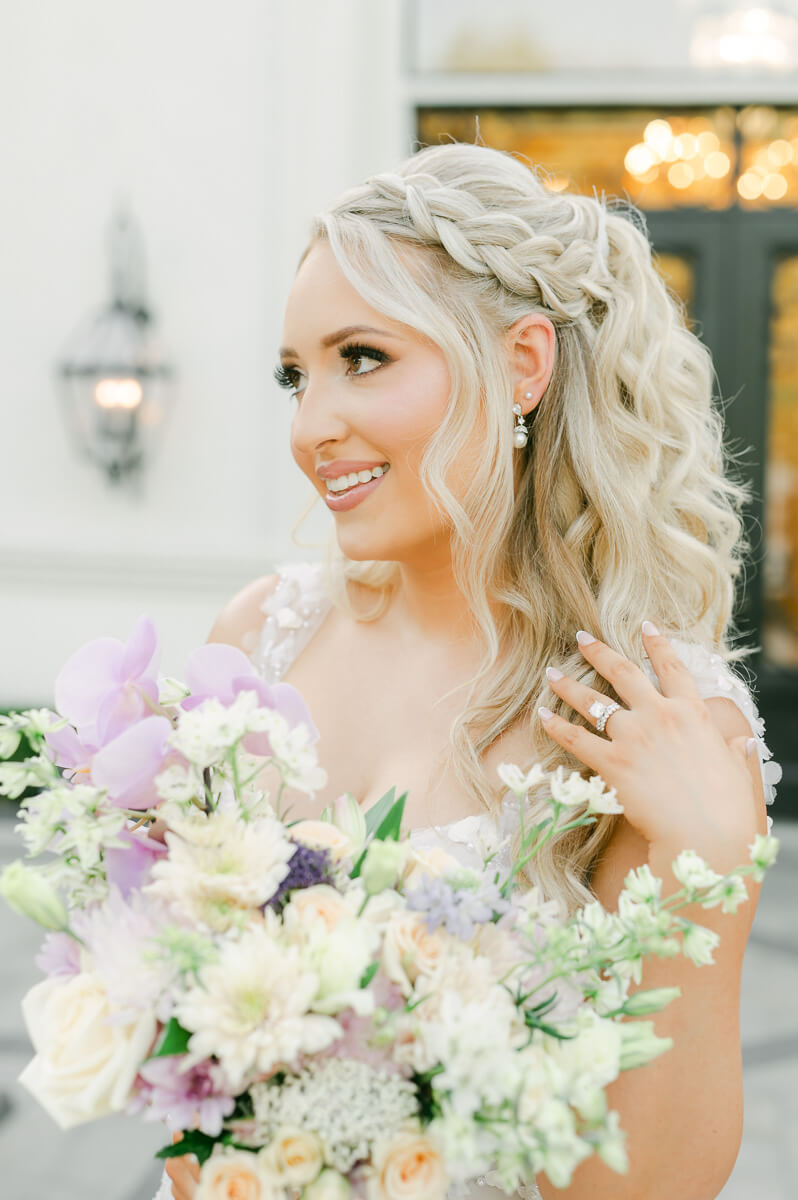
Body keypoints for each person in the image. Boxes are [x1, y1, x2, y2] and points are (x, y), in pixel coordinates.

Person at [161, 143, 779, 1200]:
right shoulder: (258, 638)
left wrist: (711, 862)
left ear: (522, 364)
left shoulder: (657, 722)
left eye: (363, 357)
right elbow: (194, 1077)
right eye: (294, 375)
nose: (313, 427)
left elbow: (648, 1184)